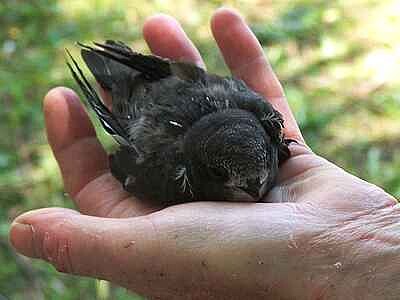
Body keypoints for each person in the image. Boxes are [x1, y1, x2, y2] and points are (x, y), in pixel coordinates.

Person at [9, 8, 399, 300]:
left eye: (260, 170)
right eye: (230, 178)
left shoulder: (262, 118)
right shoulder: (171, 170)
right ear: (201, 169)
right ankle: (120, 71)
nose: (255, 185)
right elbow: (124, 163)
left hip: (169, 93)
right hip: (149, 104)